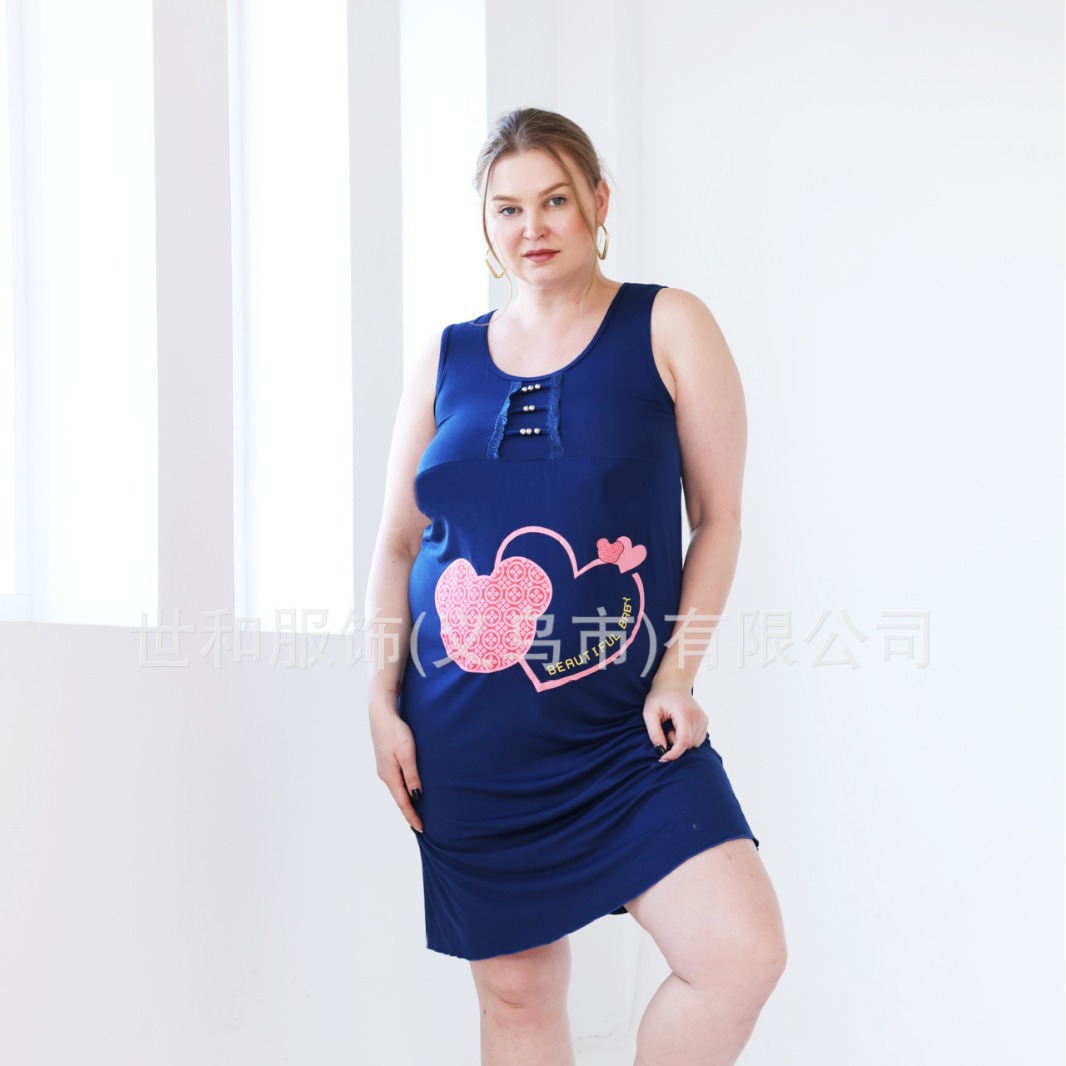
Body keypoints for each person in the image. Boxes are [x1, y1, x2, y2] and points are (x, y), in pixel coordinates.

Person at [365, 107, 787, 1065]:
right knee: (517, 995)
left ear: (598, 202)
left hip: (625, 728)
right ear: (485, 224)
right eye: (508, 208)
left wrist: (676, 676)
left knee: (740, 953)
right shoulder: (445, 358)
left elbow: (718, 518)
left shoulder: (668, 323)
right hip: (469, 737)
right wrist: (380, 702)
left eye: (555, 200)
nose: (533, 227)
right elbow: (397, 543)